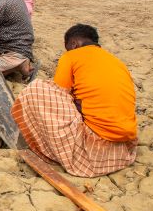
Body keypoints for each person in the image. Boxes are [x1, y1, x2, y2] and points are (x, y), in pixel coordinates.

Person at [11, 24, 137, 177]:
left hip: (96, 143)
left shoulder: (71, 56)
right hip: (125, 146)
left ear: (74, 44)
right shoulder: (117, 62)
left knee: (38, 88)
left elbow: (59, 92)